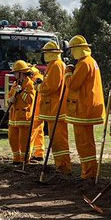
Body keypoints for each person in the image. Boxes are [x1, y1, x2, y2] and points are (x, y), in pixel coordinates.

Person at [64, 34, 105, 180]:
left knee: (83, 144)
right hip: (87, 108)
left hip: (83, 109)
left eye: (72, 50)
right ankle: (90, 171)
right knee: (88, 143)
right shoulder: (90, 61)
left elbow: (73, 84)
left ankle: (88, 174)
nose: (72, 53)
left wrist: (68, 72)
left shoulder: (83, 64)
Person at [39, 41, 71, 175]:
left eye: (46, 53)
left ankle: (63, 167)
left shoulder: (57, 65)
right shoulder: (53, 65)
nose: (44, 55)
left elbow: (52, 86)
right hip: (52, 109)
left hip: (56, 109)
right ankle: (60, 166)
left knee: (59, 141)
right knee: (55, 141)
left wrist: (39, 87)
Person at [6, 60, 37, 165]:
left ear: (21, 72)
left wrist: (21, 92)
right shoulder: (15, 83)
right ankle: (16, 159)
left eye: (15, 72)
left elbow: (30, 100)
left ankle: (25, 160)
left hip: (24, 117)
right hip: (13, 117)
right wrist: (10, 99)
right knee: (12, 139)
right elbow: (10, 95)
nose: (14, 74)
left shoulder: (30, 84)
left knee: (24, 141)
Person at [28, 64, 46, 162]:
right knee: (39, 132)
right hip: (41, 111)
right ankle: (39, 153)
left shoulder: (34, 81)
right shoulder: (39, 77)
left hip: (35, 111)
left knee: (31, 133)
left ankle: (27, 154)